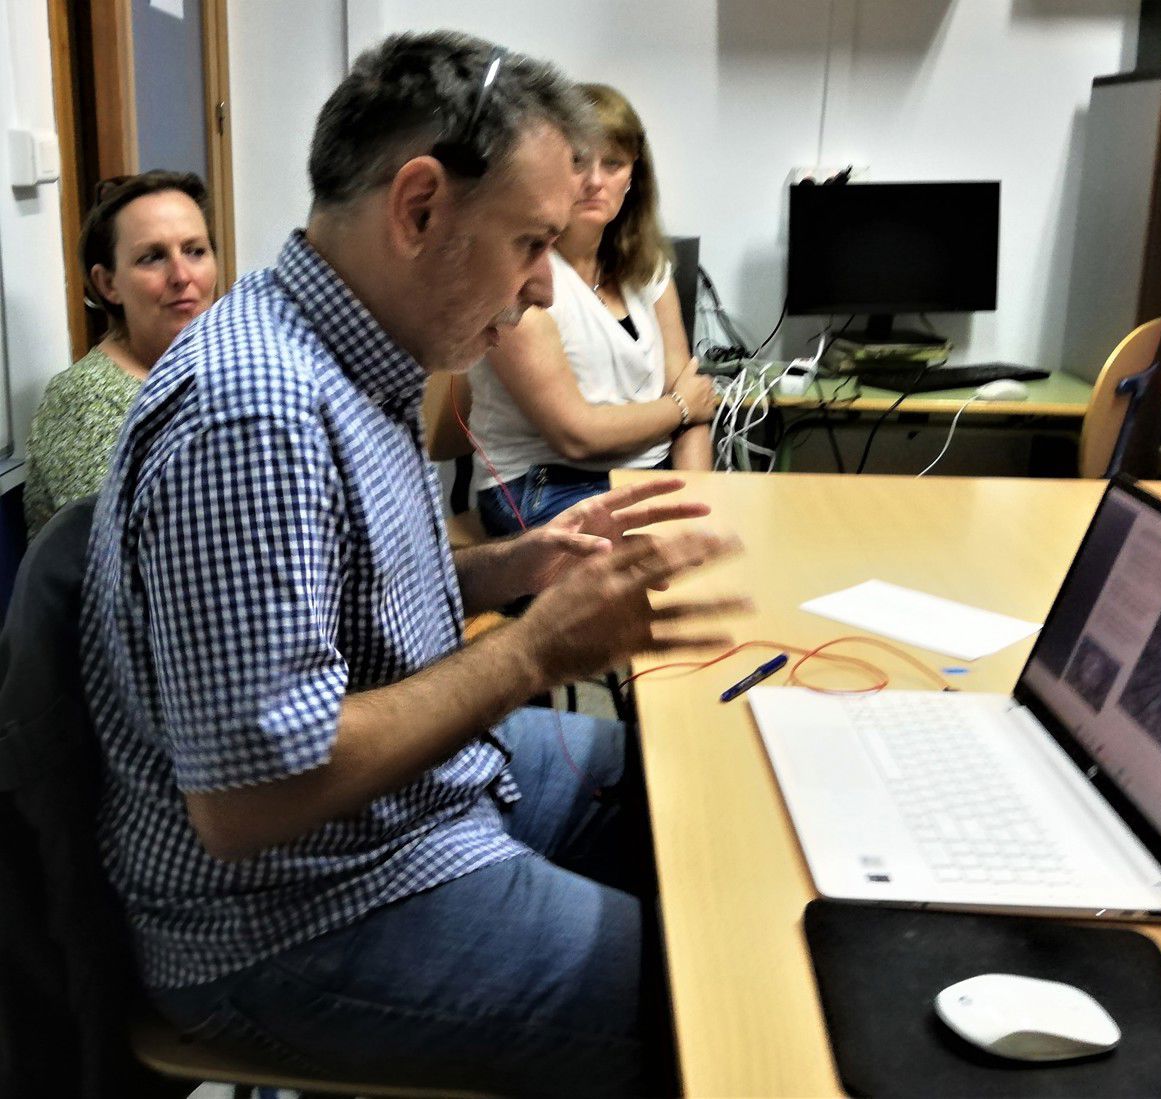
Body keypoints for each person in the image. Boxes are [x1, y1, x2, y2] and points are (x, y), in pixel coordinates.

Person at [80, 31, 743, 1098]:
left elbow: (340, 585)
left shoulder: (349, 348)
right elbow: (249, 800)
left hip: (406, 805)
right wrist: (535, 649)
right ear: (420, 207)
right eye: (529, 242)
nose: (539, 288)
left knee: (700, 792)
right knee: (723, 1005)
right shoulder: (255, 410)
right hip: (290, 917)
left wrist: (519, 564)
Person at [467, 83, 717, 536]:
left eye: (613, 163)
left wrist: (698, 494)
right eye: (578, 161)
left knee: (718, 541)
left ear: (632, 179)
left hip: (647, 472)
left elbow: (693, 408)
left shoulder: (649, 267)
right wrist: (679, 408)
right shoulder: (521, 274)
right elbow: (577, 435)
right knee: (660, 568)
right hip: (542, 483)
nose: (594, 181)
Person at [23, 171, 217, 538]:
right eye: (152, 257)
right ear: (108, 284)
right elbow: (125, 554)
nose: (181, 275)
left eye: (195, 251)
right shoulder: (83, 401)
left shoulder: (215, 368)